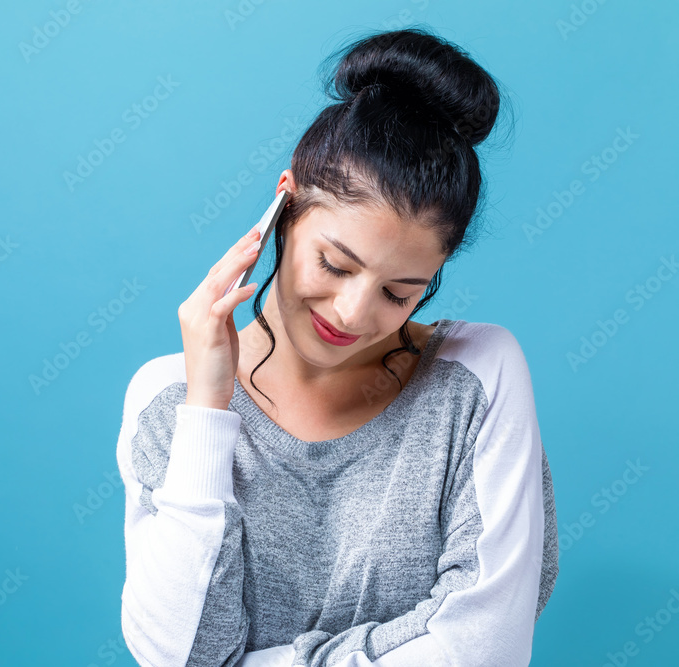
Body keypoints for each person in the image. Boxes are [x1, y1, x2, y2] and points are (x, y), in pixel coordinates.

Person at [116, 27, 558, 667]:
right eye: (335, 265)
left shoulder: (477, 377)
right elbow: (179, 654)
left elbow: (486, 648)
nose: (354, 314)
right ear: (282, 209)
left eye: (400, 292)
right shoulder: (169, 400)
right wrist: (209, 409)